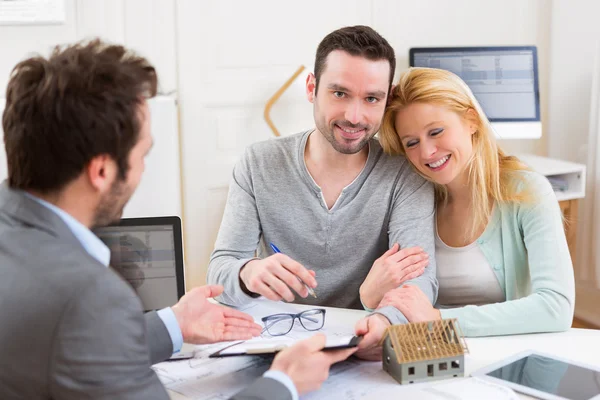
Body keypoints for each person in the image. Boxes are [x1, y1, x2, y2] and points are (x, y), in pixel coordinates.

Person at [0, 39, 355, 400]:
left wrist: (173, 323)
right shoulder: (90, 296)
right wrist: (284, 383)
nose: (142, 168)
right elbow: (84, 324)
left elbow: (74, 344)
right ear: (103, 171)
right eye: (143, 154)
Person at [207, 25, 438, 333]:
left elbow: (419, 281)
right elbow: (220, 269)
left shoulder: (404, 173)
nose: (354, 116)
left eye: (371, 98)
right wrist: (248, 273)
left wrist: (383, 322)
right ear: (311, 88)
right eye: (339, 93)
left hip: (367, 336)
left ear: (387, 100)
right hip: (276, 338)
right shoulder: (258, 163)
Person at [370, 67, 575, 337]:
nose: (427, 152)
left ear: (471, 121)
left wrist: (439, 319)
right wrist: (369, 299)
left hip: (508, 360)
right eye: (411, 143)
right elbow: (403, 302)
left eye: (436, 131)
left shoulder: (527, 192)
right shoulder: (414, 200)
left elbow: (556, 307)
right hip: (433, 354)